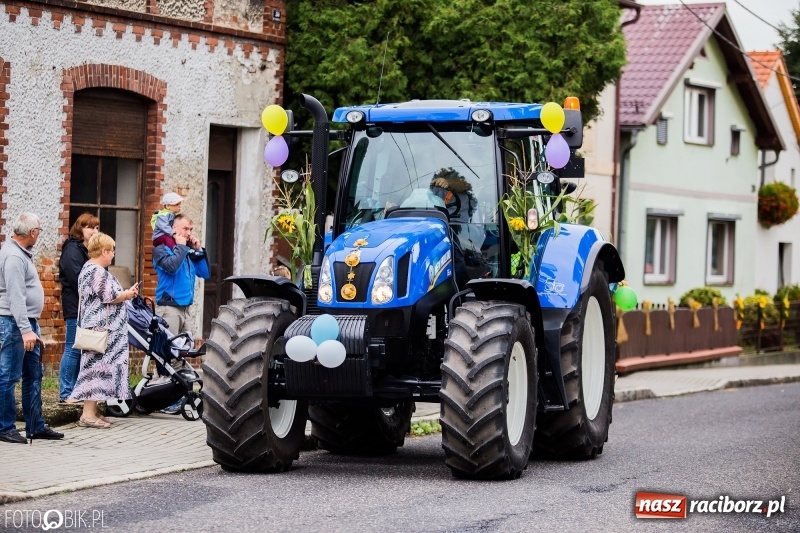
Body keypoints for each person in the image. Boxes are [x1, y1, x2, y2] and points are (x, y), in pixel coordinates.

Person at [0, 213, 64, 443]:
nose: (39, 233)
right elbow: (15, 297)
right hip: (15, 324)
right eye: (39, 229)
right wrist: (26, 329)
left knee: (33, 375)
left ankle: (35, 425)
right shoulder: (13, 257)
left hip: (27, 324)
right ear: (33, 232)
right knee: (8, 376)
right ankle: (5, 427)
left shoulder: (21, 254)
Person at [68, 233, 139, 428]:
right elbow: (110, 296)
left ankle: (92, 411)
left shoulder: (89, 269)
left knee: (99, 370)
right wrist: (127, 294)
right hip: (101, 330)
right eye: (112, 250)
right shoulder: (96, 271)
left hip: (101, 328)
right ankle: (87, 415)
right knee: (95, 370)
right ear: (104, 251)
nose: (114, 254)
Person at [153, 214, 210, 414]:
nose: (189, 233)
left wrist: (199, 250)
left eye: (191, 229)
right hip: (169, 306)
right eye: (186, 229)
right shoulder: (162, 248)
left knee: (181, 353)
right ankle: (163, 398)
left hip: (185, 308)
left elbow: (205, 273)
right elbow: (170, 266)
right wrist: (181, 246)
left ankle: (175, 395)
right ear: (174, 228)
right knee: (167, 354)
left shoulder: (185, 250)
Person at [58, 213, 99, 402]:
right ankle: (66, 392)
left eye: (97, 227)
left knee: (80, 348)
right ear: (80, 229)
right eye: (90, 227)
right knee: (72, 348)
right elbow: (78, 279)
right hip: (75, 305)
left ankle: (74, 390)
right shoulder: (72, 249)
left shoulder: (87, 250)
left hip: (86, 306)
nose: (94, 231)